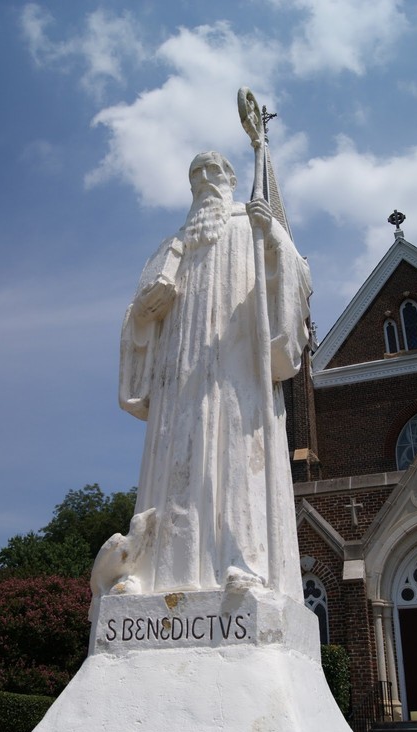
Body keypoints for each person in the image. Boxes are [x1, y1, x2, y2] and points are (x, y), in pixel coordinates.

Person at [117, 151, 311, 600]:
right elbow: (136, 318)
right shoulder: (173, 245)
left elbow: (299, 280)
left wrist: (275, 245)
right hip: (178, 374)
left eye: (213, 171)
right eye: (195, 174)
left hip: (234, 368)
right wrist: (148, 310)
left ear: (230, 178)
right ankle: (153, 574)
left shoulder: (252, 225)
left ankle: (245, 563)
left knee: (238, 458)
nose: (204, 179)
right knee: (175, 467)